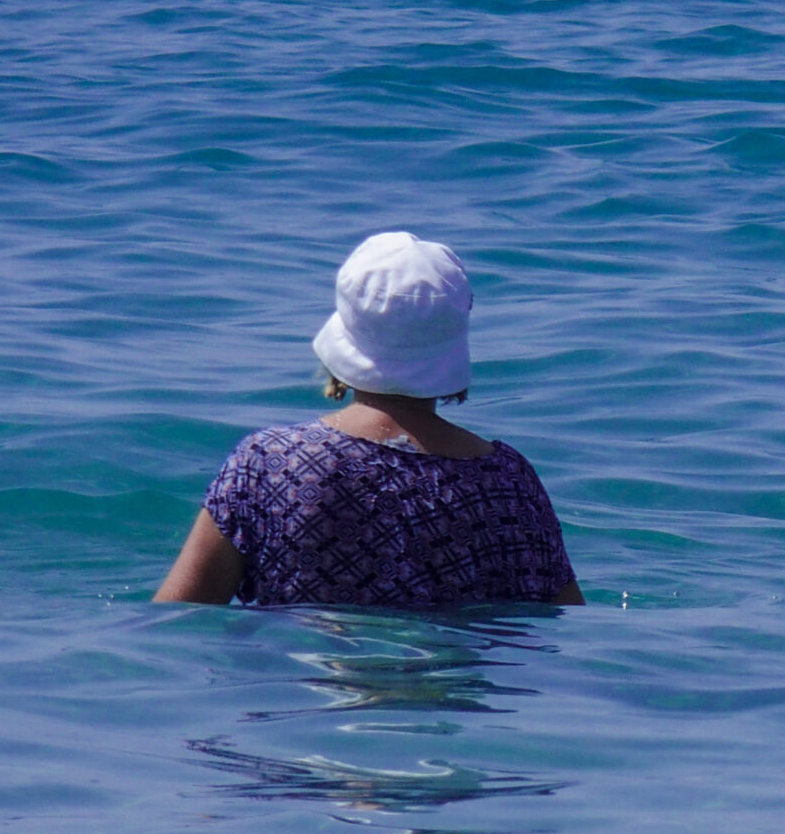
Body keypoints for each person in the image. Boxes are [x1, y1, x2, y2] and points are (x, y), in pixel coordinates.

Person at [155, 232, 584, 608]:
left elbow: (173, 627)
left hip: (307, 694)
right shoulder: (511, 482)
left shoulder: (268, 465)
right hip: (459, 699)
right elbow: (566, 632)